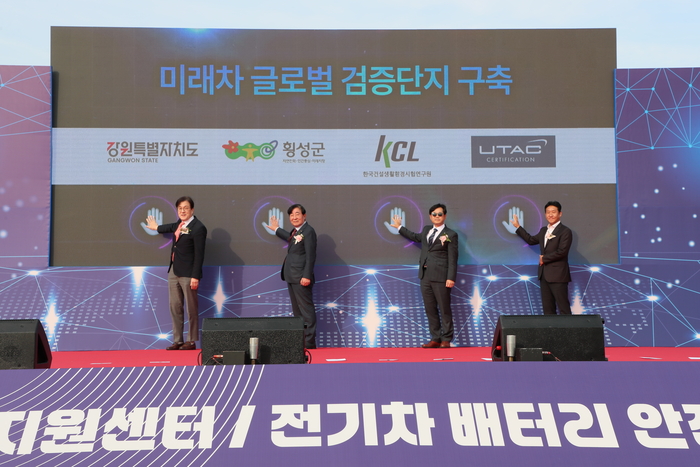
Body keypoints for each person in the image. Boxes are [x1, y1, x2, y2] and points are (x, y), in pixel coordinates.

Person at [391, 203, 458, 348]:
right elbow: (415, 237)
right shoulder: (427, 229)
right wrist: (399, 227)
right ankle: (436, 338)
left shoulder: (451, 234)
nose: (437, 217)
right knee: (430, 309)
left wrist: (450, 277)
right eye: (434, 214)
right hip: (425, 276)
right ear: (430, 216)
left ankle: (446, 339)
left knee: (444, 309)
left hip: (441, 277)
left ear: (445, 216)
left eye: (440, 214)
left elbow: (453, 258)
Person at [145, 196, 207, 350]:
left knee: (191, 308)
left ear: (192, 210)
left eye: (185, 208)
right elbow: (170, 227)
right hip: (174, 270)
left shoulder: (198, 227)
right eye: (180, 208)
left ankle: (191, 341)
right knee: (175, 306)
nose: (182, 211)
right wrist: (156, 227)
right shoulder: (179, 224)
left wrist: (195, 276)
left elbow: (199, 255)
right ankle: (178, 340)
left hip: (188, 273)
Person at [265, 204, 318, 349]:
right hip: (291, 276)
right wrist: (276, 229)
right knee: (297, 312)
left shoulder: (308, 231)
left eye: (297, 214)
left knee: (306, 310)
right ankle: (301, 341)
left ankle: (310, 342)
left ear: (304, 215)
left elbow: (311, 256)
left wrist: (306, 276)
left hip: (301, 277)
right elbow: (290, 238)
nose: (294, 217)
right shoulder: (297, 232)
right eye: (291, 215)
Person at [511, 200, 572, 315]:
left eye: (553, 212)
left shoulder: (565, 231)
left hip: (558, 276)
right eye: (548, 212)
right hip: (544, 275)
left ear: (560, 214)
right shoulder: (544, 230)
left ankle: (569, 327)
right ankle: (550, 327)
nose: (550, 214)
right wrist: (518, 227)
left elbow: (562, 252)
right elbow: (531, 240)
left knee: (563, 308)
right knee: (548, 310)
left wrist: (544, 258)